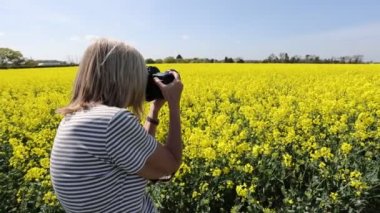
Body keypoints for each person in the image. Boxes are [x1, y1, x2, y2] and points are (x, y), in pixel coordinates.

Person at [50, 38, 183, 212]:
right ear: (123, 78)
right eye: (139, 75)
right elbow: (168, 167)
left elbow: (142, 156)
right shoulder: (112, 122)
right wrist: (174, 104)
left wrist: (154, 111)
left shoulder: (73, 119)